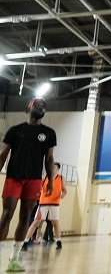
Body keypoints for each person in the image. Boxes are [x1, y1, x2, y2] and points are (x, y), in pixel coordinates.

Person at [0, 97, 56, 272]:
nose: (40, 106)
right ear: (28, 108)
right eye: (36, 104)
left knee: (25, 217)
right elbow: (2, 154)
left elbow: (49, 159)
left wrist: (50, 181)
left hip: (34, 180)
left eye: (43, 106)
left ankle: (14, 259)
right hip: (14, 177)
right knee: (7, 214)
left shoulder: (49, 133)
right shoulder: (15, 130)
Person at [22, 162, 67, 251]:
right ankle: (25, 242)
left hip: (54, 204)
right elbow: (37, 188)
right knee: (36, 222)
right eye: (51, 167)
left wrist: (63, 195)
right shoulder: (44, 178)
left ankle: (58, 241)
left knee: (55, 223)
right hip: (43, 204)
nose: (52, 168)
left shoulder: (61, 178)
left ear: (58, 169)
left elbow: (65, 190)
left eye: (54, 167)